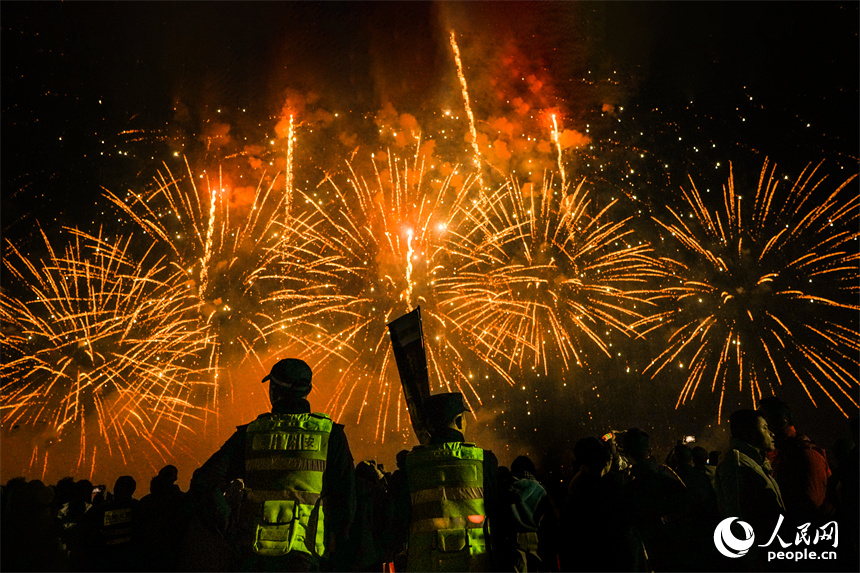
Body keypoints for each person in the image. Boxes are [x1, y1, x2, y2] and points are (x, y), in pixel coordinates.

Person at [189, 358, 356, 572]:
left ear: (274, 390)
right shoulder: (329, 434)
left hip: (254, 557)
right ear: (308, 390)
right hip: (307, 557)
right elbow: (347, 501)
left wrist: (228, 525)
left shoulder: (250, 434)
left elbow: (204, 481)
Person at [397, 392, 499, 572]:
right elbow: (499, 516)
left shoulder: (411, 465)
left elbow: (399, 521)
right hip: (475, 563)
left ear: (429, 425)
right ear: (460, 420)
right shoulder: (484, 461)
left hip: (425, 565)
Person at [715, 409, 785, 570]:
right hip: (759, 557)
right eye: (765, 428)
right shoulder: (737, 464)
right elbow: (736, 516)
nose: (772, 433)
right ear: (749, 433)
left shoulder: (754, 462)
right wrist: (752, 560)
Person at [757, 396, 832, 524]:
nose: (757, 427)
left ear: (781, 422)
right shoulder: (783, 451)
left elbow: (810, 505)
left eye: (764, 422)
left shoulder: (804, 453)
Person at [79, 475, 141, 572]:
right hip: (128, 560)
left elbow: (87, 531)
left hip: (105, 560)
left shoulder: (101, 510)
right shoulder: (137, 508)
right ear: (132, 490)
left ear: (115, 489)